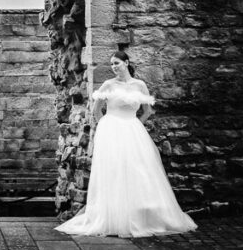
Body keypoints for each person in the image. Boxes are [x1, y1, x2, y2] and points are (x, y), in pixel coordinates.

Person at [56, 50, 197, 237]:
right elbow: (97, 111)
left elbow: (147, 111)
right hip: (111, 130)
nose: (114, 67)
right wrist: (107, 127)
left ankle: (137, 215)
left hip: (132, 129)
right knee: (115, 170)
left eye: (117, 63)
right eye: (112, 64)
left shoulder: (140, 85)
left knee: (138, 170)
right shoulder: (108, 85)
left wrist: (135, 124)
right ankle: (113, 216)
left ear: (126, 62)